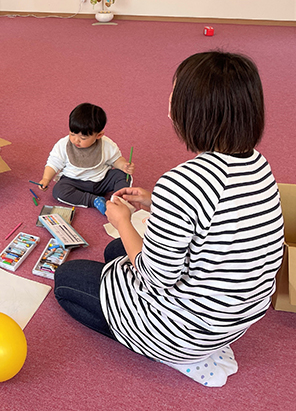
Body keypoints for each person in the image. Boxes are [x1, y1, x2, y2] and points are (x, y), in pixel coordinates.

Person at [53, 51, 285, 387]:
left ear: (192, 113)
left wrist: (123, 221)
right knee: (114, 251)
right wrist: (154, 201)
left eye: (174, 97)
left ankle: (170, 353)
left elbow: (153, 279)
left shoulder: (183, 182)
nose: (169, 107)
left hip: (185, 330)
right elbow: (218, 218)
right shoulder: (259, 165)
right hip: (233, 318)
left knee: (66, 280)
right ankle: (189, 344)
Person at [37, 103, 134, 212]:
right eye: (72, 134)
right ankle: (94, 200)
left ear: (98, 135)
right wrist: (46, 179)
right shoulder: (63, 145)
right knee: (58, 191)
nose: (76, 140)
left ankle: (117, 202)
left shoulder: (107, 145)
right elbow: (53, 163)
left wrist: (124, 165)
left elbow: (116, 160)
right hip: (74, 182)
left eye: (83, 138)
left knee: (123, 175)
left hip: (101, 181)